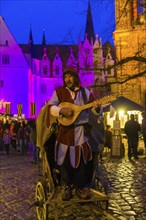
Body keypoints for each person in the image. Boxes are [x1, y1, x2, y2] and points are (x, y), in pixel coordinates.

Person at [47, 66, 101, 201]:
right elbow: (51, 107)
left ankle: (80, 187)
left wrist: (98, 107)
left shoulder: (85, 93)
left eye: (70, 76)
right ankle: (66, 187)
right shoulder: (59, 92)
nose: (67, 79)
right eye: (65, 77)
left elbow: (95, 111)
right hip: (64, 132)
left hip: (80, 132)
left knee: (82, 160)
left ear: (76, 78)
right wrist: (61, 111)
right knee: (64, 160)